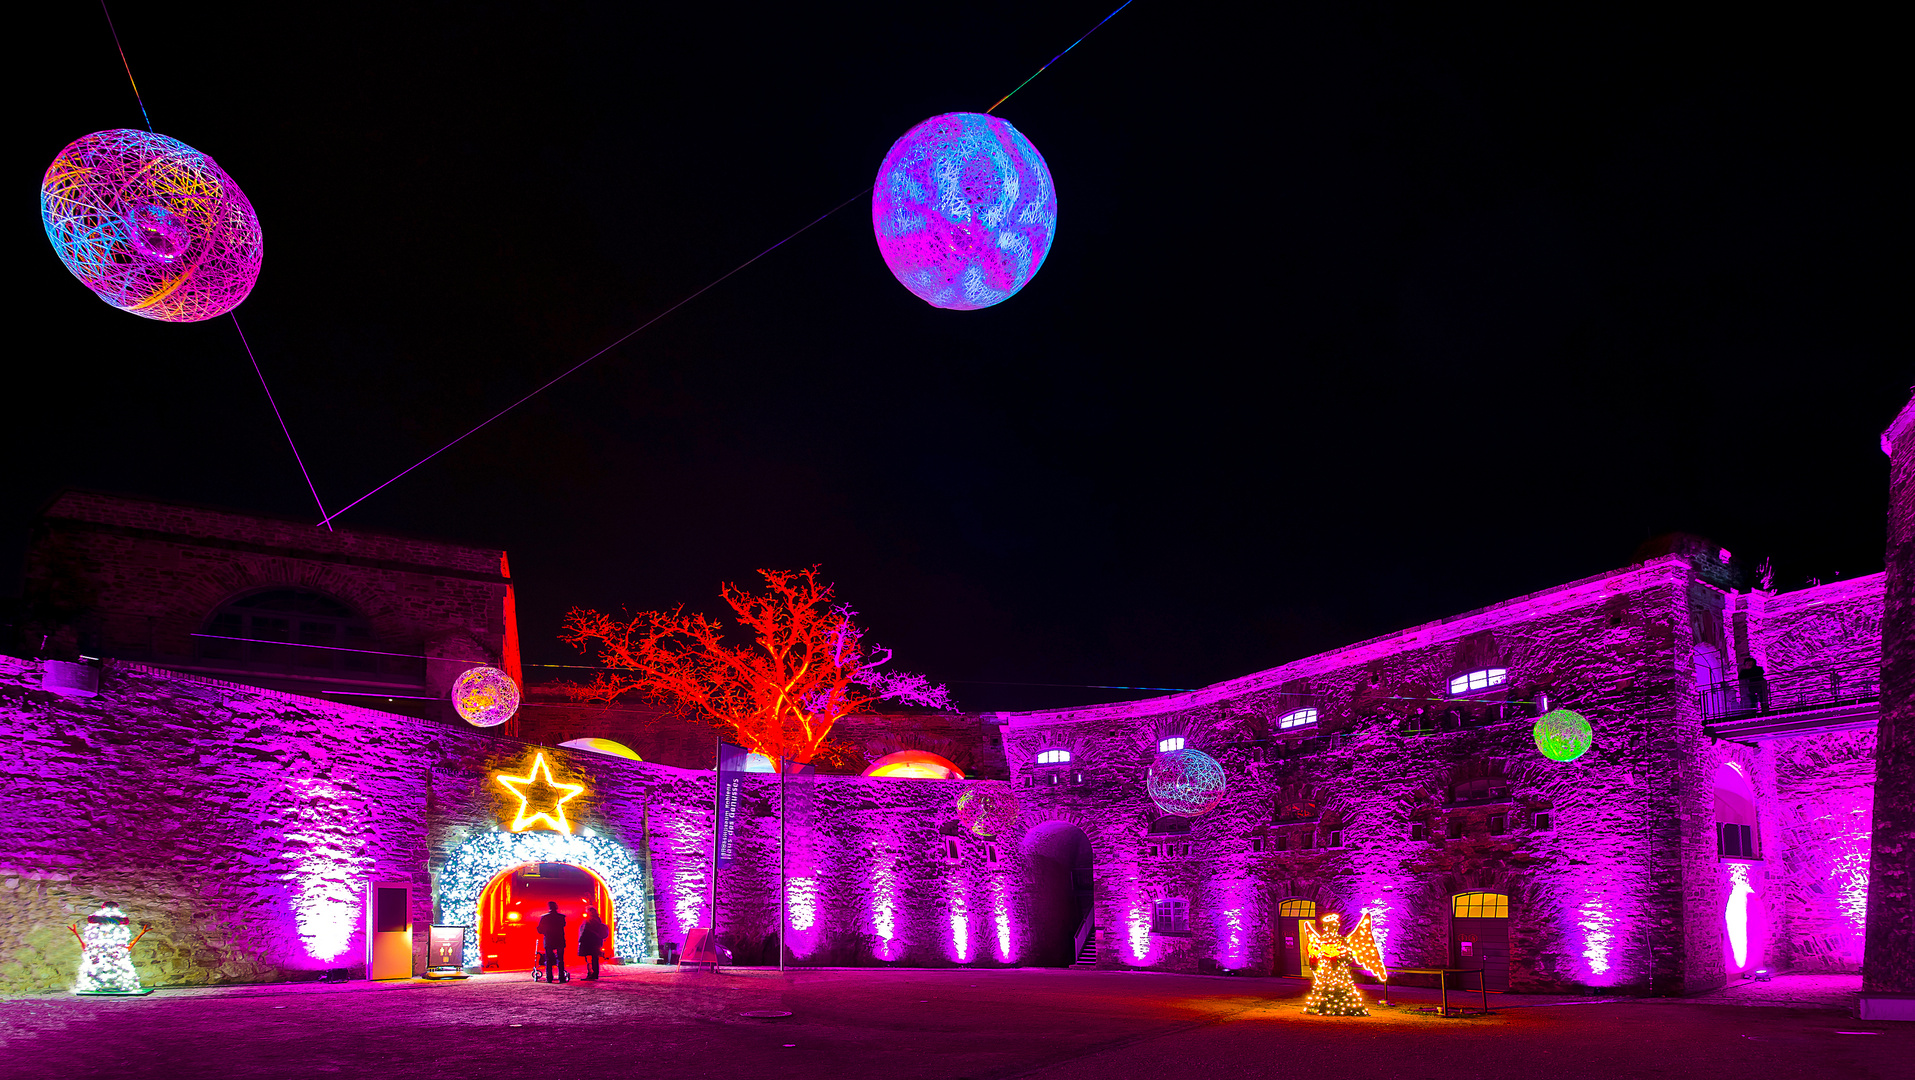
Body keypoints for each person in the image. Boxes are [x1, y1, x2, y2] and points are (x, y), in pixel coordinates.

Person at [536, 901, 568, 983]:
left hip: (549, 939)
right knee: (560, 959)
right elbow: (564, 925)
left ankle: (549, 977)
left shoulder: (545, 917)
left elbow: (539, 929)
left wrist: (545, 932)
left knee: (548, 959)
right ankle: (561, 977)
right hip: (559, 939)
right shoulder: (561, 917)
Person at [578, 907, 608, 981]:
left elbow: (585, 931)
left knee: (590, 959)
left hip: (589, 942)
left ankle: (591, 973)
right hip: (596, 942)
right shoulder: (598, 920)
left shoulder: (589, 921)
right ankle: (595, 974)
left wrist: (581, 940)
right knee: (595, 958)